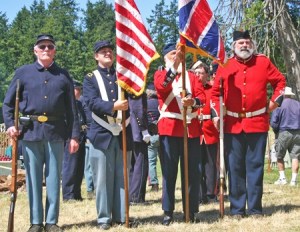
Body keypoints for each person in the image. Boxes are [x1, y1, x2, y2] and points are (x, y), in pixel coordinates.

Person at [2, 34, 80, 232]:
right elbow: (8, 103)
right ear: (35, 50)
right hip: (30, 132)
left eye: (50, 46)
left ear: (54, 50)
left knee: (54, 179)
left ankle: (51, 221)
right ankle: (36, 222)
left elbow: (72, 110)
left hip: (56, 133)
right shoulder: (23, 73)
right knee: (33, 180)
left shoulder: (63, 75)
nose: (46, 49)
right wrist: (11, 124)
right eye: (42, 46)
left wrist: (74, 135)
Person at [211, 30, 286, 218]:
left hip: (257, 123)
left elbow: (280, 82)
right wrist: (215, 114)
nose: (244, 45)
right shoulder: (225, 65)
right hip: (232, 124)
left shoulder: (263, 62)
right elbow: (214, 93)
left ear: (252, 45)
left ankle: (255, 208)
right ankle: (236, 209)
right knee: (234, 168)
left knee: (255, 167)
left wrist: (274, 102)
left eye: (247, 42)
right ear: (233, 46)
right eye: (240, 43)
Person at [154, 42, 206, 225]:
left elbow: (203, 98)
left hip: (190, 128)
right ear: (165, 57)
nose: (175, 57)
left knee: (192, 172)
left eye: (178, 54)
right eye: (172, 54)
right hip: (169, 128)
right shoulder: (161, 72)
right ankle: (168, 211)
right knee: (169, 172)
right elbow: (162, 87)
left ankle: (190, 211)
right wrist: (175, 65)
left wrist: (193, 101)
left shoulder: (191, 76)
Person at [83, 40, 132, 230]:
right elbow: (91, 102)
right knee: (102, 179)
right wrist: (113, 107)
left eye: (110, 51)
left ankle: (121, 216)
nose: (107, 54)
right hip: (101, 133)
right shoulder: (90, 78)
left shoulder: (122, 76)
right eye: (103, 51)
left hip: (122, 133)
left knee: (122, 177)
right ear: (96, 56)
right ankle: (104, 218)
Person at [190, 61, 219, 204]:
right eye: (196, 73)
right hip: (195, 131)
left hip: (209, 131)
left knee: (211, 165)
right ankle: (199, 194)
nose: (198, 76)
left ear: (207, 75)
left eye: (201, 73)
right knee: (196, 165)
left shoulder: (212, 89)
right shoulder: (190, 89)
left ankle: (211, 194)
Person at [62, 81, 86, 201]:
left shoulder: (80, 104)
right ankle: (68, 194)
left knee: (79, 167)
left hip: (81, 136)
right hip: (70, 137)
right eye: (77, 89)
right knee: (70, 166)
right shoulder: (65, 105)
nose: (79, 92)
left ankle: (77, 193)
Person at [270, 87, 300, 186]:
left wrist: (276, 132)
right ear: (291, 95)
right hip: (297, 132)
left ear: (282, 95)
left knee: (279, 156)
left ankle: (283, 179)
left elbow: (274, 122)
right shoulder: (298, 104)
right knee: (295, 156)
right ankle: (293, 180)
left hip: (283, 131)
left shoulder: (279, 105)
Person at [128, 92, 150, 204]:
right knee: (140, 164)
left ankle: (132, 194)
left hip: (130, 131)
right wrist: (144, 129)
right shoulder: (137, 89)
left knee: (132, 165)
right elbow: (139, 112)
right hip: (137, 131)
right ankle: (137, 196)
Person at [146, 83, 160, 192]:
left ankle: (154, 184)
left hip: (151, 135)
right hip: (163, 134)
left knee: (151, 161)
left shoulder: (146, 104)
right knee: (165, 161)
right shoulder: (161, 103)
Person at [81, 94, 95, 199]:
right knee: (89, 164)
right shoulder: (84, 101)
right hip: (89, 132)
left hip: (96, 131)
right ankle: (90, 189)